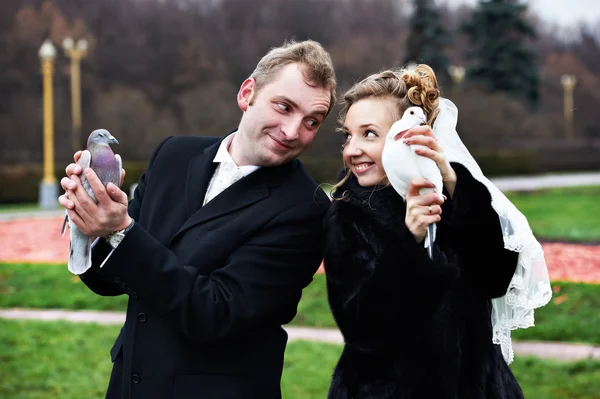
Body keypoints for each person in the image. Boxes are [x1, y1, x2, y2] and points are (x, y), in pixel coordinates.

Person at [58, 40, 337, 399]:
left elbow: (216, 314)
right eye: (284, 107)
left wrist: (120, 230)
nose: (293, 131)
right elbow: (111, 280)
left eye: (311, 121)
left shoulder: (307, 209)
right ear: (247, 93)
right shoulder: (173, 154)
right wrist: (89, 221)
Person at [323, 65, 551, 398]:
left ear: (411, 135)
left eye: (369, 133)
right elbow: (362, 329)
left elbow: (494, 279)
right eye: (348, 134)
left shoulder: (455, 201)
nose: (351, 149)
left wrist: (457, 188)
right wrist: (408, 242)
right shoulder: (348, 216)